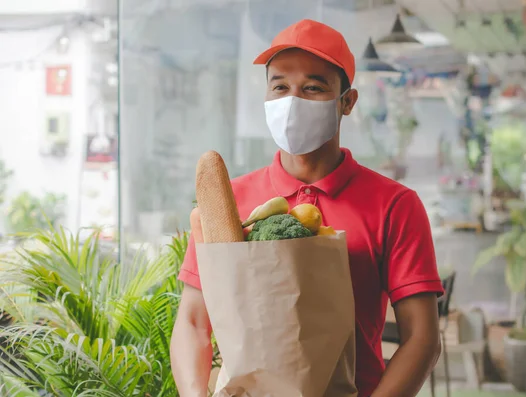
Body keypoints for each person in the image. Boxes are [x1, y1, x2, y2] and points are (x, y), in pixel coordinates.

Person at [171, 19, 444, 397]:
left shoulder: (395, 205)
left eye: (313, 87)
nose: (292, 100)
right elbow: (192, 321)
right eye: (280, 86)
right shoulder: (228, 202)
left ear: (347, 102)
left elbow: (423, 339)